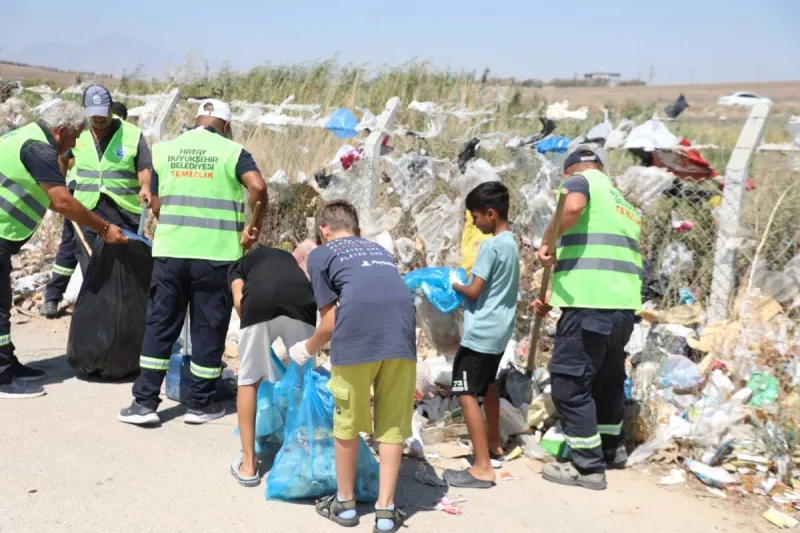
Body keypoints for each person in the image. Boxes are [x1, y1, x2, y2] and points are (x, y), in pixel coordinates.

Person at [118, 98, 267, 426]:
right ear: (225, 126)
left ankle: (144, 403)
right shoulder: (232, 151)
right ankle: (200, 404)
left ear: (197, 120)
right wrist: (254, 226)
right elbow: (257, 187)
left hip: (171, 252)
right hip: (217, 255)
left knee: (160, 324)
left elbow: (155, 204)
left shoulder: (166, 150)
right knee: (208, 326)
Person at [289, 200, 415, 532]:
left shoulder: (321, 253)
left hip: (357, 338)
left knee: (345, 422)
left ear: (323, 230)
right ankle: (386, 513)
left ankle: (345, 505)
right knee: (392, 427)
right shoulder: (378, 250)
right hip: (402, 338)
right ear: (359, 230)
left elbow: (329, 321)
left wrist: (307, 347)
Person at [0, 101, 128, 398]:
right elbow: (61, 201)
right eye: (76, 134)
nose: (78, 141)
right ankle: (2, 376)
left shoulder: (26, 136)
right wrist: (104, 228)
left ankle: (8, 362)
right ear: (60, 131)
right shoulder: (38, 149)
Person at [532, 144, 641, 491]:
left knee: (568, 383)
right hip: (621, 309)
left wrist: (548, 240)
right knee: (606, 382)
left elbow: (573, 206)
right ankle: (611, 449)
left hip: (589, 308)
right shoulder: (623, 204)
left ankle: (587, 466)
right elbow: (600, 257)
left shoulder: (581, 182)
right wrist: (556, 293)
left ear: (569, 172)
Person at [442, 181, 520, 489]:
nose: (474, 222)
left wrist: (454, 283)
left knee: (464, 392)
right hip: (500, 331)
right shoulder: (512, 243)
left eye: (476, 216)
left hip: (481, 332)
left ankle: (482, 467)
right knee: (488, 385)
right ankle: (493, 444)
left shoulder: (490, 246)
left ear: (491, 213)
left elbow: (474, 289)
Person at [227, 245, 317, 487]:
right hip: (301, 301)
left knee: (249, 380)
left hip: (259, 301)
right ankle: (306, 454)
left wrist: (256, 346)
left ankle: (248, 465)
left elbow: (239, 302)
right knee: (306, 381)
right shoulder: (291, 263)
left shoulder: (239, 265)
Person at [41, 99, 138, 318]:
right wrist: (60, 185)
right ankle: (56, 297)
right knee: (73, 248)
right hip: (78, 199)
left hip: (98, 202)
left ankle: (58, 297)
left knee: (76, 249)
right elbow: (63, 159)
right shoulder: (85, 135)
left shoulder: (124, 136)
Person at [66, 84, 153, 272]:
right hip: (87, 208)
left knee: (124, 266)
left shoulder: (131, 134)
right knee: (91, 264)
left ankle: (124, 301)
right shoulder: (77, 131)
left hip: (124, 210)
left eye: (102, 112)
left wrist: (145, 186)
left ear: (112, 108)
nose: (98, 118)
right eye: (93, 113)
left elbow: (144, 166)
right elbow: (62, 156)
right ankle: (97, 301)